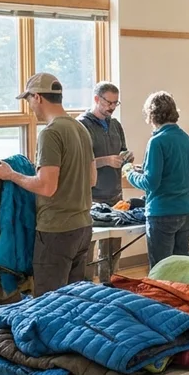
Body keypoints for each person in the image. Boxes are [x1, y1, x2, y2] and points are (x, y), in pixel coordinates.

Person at [0, 73, 96, 297]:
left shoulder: (50, 133)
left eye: (28, 101)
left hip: (57, 230)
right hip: (83, 227)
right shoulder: (81, 130)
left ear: (37, 97)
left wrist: (12, 175)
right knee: (74, 300)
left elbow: (46, 187)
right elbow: (92, 180)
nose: (30, 107)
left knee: (48, 302)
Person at [123, 92, 189, 268]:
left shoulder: (156, 141)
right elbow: (177, 171)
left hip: (163, 212)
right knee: (182, 268)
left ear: (151, 115)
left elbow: (150, 183)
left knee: (161, 271)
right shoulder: (186, 139)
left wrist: (129, 172)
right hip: (186, 210)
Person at [79, 81, 131, 280]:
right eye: (108, 103)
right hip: (93, 195)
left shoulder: (115, 124)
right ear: (96, 99)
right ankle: (86, 286)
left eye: (115, 103)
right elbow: (80, 162)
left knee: (113, 248)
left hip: (115, 194)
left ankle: (108, 282)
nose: (111, 107)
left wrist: (126, 157)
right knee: (88, 248)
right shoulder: (82, 125)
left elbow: (122, 149)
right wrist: (105, 161)